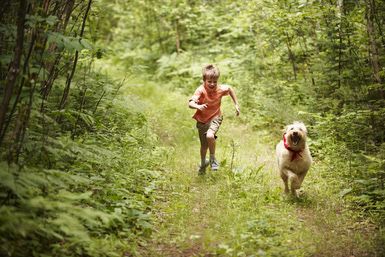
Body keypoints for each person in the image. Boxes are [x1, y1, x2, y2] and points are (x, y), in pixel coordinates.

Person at [188, 64, 240, 174]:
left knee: (210, 135)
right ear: (204, 80)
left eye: (215, 82)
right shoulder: (200, 90)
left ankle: (212, 159)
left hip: (216, 117)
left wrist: (236, 104)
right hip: (202, 120)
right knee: (204, 146)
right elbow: (191, 103)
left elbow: (230, 89)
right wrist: (198, 106)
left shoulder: (220, 89)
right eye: (209, 81)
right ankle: (203, 164)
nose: (212, 84)